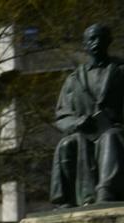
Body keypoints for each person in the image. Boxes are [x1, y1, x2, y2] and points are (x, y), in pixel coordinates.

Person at [51, 24, 124, 207]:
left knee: (111, 137)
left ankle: (105, 192)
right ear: (85, 44)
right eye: (91, 39)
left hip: (115, 130)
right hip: (84, 132)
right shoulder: (74, 79)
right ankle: (68, 199)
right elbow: (62, 114)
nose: (96, 42)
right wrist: (77, 122)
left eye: (100, 38)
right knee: (68, 144)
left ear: (108, 41)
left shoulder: (120, 72)